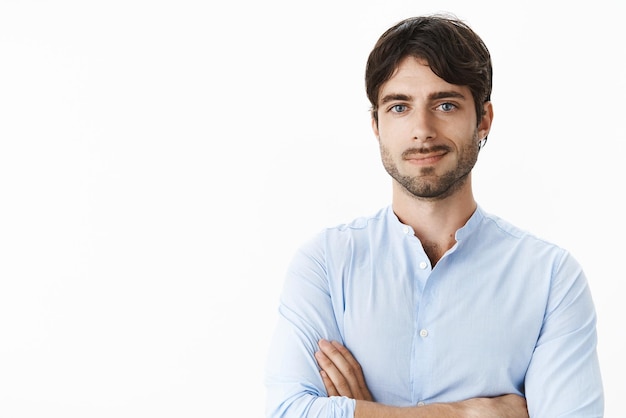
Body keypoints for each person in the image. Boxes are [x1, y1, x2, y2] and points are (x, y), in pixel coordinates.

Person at [264, 14, 604, 418]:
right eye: (399, 107)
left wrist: (363, 412)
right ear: (376, 124)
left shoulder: (551, 279)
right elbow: (288, 412)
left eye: (445, 104)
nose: (421, 129)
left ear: (483, 120)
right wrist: (467, 414)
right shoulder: (325, 263)